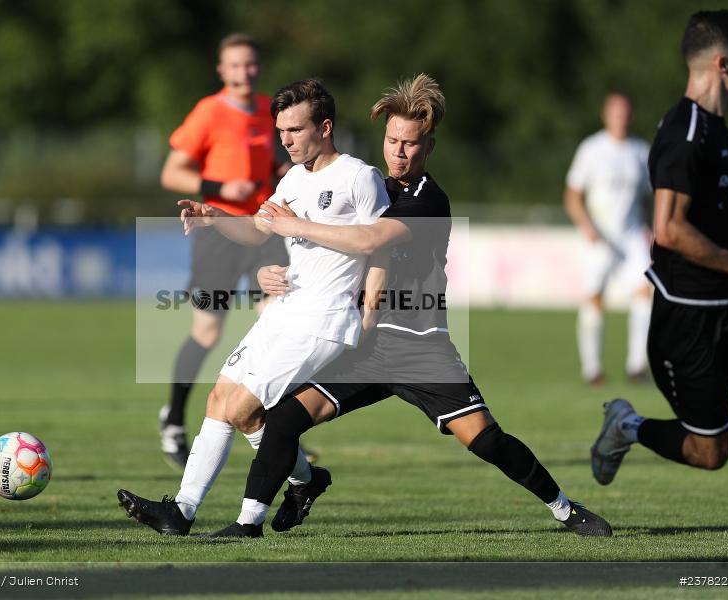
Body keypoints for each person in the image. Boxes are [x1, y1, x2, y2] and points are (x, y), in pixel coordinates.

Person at [202, 74, 612, 538]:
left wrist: (295, 224)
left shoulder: (428, 200)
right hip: (365, 343)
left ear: (429, 146)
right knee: (283, 421)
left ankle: (564, 508)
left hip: (421, 347)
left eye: (411, 143)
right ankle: (255, 519)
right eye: (392, 140)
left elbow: (368, 238)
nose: (399, 151)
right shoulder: (367, 182)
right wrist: (268, 267)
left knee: (486, 440)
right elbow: (312, 244)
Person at [118, 79, 391, 534]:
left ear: (325, 127)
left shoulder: (359, 177)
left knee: (245, 408)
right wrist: (216, 217)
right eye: (281, 130)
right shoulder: (293, 178)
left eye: (295, 130)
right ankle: (183, 510)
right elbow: (258, 230)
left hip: (324, 321)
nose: (285, 139)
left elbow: (378, 247)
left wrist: (370, 314)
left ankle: (257, 515)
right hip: (286, 310)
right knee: (219, 399)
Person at [592, 10, 728, 485]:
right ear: (723, 64)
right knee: (711, 452)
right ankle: (626, 426)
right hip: (689, 316)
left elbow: (720, 218)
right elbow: (668, 229)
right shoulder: (685, 133)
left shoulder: (718, 128)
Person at [157, 33, 290, 469]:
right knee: (207, 333)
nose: (244, 72)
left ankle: (275, 428)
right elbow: (171, 174)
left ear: (258, 66)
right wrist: (217, 188)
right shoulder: (208, 112)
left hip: (263, 230)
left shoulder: (271, 112)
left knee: (275, 322)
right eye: (235, 65)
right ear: (222, 70)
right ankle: (174, 418)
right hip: (217, 232)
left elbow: (279, 165)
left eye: (250, 64)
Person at [564, 92, 653, 386]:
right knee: (595, 298)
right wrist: (586, 226)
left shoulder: (640, 151)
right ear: (606, 114)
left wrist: (652, 229)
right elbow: (573, 195)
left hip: (631, 234)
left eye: (625, 111)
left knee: (645, 292)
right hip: (599, 235)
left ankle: (637, 364)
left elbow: (648, 198)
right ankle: (592, 369)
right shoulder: (592, 149)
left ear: (632, 115)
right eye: (616, 111)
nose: (621, 117)